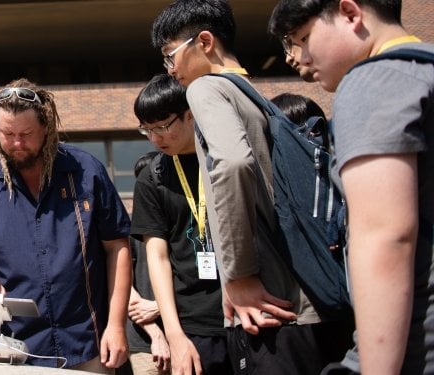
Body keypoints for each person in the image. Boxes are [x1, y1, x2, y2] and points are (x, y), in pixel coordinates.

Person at [151, 1, 352, 373]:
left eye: (170, 55)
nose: (171, 69)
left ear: (205, 41)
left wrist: (239, 275)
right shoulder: (252, 94)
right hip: (313, 299)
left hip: (267, 310)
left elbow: (232, 163)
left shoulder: (205, 88)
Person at [269, 0, 433, 373]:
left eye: (305, 37)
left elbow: (386, 235)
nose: (301, 58)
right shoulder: (423, 72)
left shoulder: (374, 82)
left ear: (350, 13)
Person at [0, 78, 132, 372]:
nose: (18, 143)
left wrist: (117, 325)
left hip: (87, 342)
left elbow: (117, 248)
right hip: (12, 348)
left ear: (47, 127)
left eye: (27, 133)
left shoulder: (87, 171)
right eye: (8, 134)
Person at [131, 74, 230, 375]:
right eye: (147, 129)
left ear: (189, 115)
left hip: (242, 312)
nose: (155, 138)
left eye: (162, 127)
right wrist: (175, 336)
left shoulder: (224, 157)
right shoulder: (153, 176)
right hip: (191, 324)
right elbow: (157, 258)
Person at [120, 151, 170, 375]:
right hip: (145, 341)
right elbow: (123, 288)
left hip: (191, 335)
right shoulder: (130, 231)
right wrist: (156, 335)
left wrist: (159, 306)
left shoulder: (185, 227)